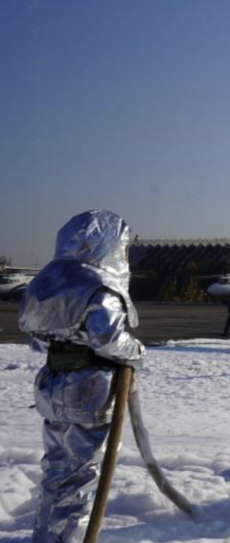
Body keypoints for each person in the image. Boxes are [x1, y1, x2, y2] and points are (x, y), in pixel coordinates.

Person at [18, 210, 146, 542]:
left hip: (52, 384)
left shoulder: (47, 282)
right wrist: (136, 351)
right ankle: (69, 537)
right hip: (88, 389)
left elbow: (34, 336)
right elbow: (107, 337)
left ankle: (47, 536)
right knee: (79, 474)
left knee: (57, 469)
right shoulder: (98, 285)